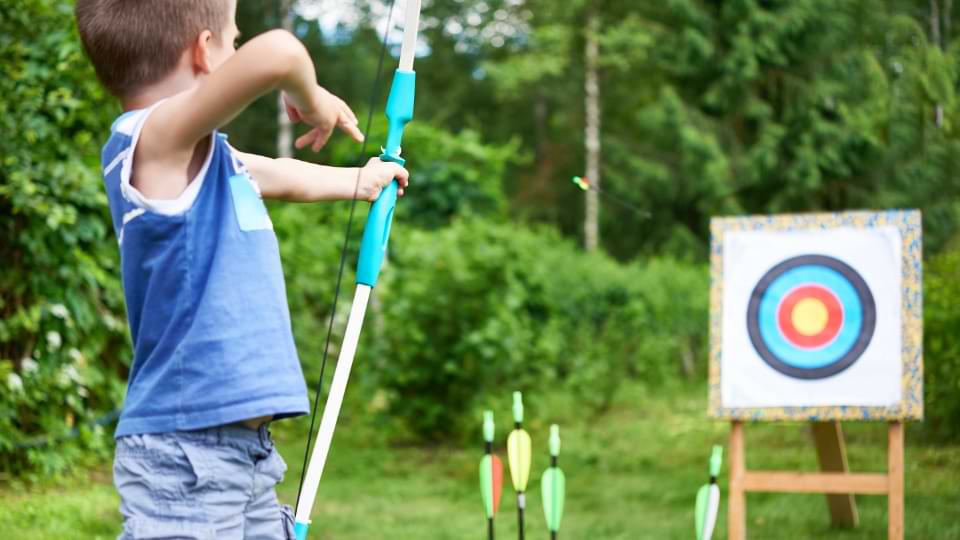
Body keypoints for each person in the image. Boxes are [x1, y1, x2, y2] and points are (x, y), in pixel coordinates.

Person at [75, 1, 409, 538]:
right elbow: (279, 53)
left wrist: (360, 183)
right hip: (184, 453)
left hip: (242, 452)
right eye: (234, 41)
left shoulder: (208, 159)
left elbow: (281, 173)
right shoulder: (152, 144)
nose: (239, 51)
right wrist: (312, 98)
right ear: (204, 52)